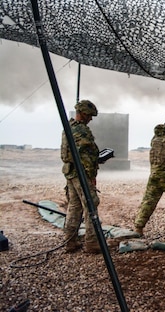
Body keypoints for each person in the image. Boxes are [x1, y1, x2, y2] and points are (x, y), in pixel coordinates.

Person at [61, 100, 102, 254]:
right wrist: (92, 176)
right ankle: (92, 243)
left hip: (70, 172)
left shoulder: (68, 128)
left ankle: (70, 242)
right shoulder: (82, 131)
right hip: (81, 173)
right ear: (83, 114)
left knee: (74, 207)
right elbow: (88, 156)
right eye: (90, 116)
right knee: (91, 204)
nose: (91, 119)